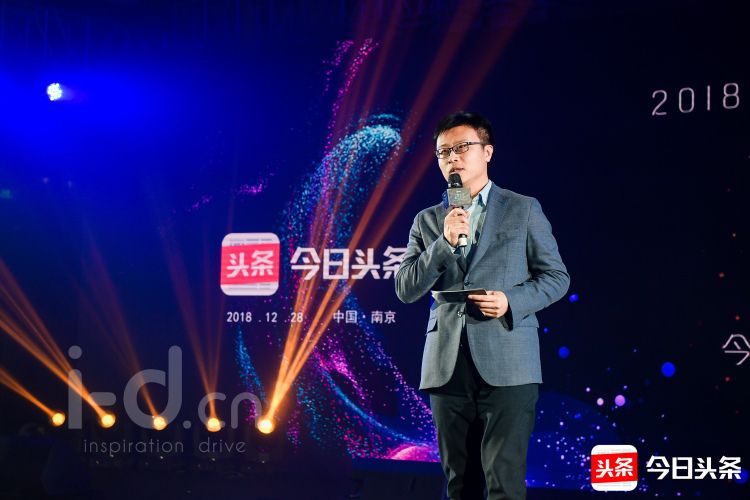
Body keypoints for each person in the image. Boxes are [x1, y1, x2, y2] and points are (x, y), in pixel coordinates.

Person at [395, 111, 570, 500]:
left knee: (503, 481)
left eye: (462, 147)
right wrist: (443, 244)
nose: (453, 157)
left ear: (487, 151)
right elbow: (405, 288)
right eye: (444, 152)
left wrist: (510, 301)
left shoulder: (522, 208)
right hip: (446, 366)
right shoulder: (428, 220)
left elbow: (557, 277)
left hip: (509, 362)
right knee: (459, 484)